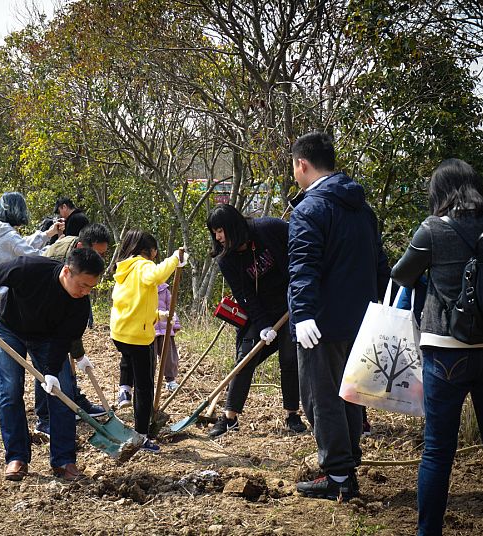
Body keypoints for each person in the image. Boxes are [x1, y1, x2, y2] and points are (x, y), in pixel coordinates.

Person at [390, 158, 483, 535]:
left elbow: (401, 274)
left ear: (440, 192)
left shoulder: (433, 229)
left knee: (438, 452)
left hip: (445, 350)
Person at [288, 131, 389, 500]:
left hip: (322, 322)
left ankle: (338, 477)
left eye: (294, 166)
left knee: (321, 397)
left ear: (303, 164)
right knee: (350, 393)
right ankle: (347, 465)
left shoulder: (309, 210)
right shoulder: (362, 208)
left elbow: (303, 267)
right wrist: (378, 310)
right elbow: (380, 264)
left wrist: (303, 315)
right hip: (361, 319)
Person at [0, 249, 105, 482]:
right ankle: (17, 457)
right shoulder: (28, 268)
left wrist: (51, 371)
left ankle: (64, 460)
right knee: (10, 392)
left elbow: (64, 339)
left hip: (49, 340)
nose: (85, 292)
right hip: (11, 329)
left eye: (90, 288)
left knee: (62, 393)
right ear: (66, 272)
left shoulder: (80, 304)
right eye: (82, 285)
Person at [204, 204, 307, 437]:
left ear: (233, 227)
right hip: (260, 311)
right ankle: (230, 417)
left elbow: (304, 240)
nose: (218, 237)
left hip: (292, 303)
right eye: (214, 232)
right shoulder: (226, 259)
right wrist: (262, 325)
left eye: (220, 231)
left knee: (289, 359)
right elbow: (244, 295)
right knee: (245, 358)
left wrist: (303, 287)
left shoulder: (268, 228)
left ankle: (292, 415)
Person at [0, 192, 63, 418]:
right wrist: (56, 250)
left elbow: (20, 245)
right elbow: (30, 256)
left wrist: (47, 234)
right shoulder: (8, 236)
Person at [110, 229, 186, 452]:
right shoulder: (143, 265)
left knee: (135, 372)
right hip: (138, 337)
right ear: (150, 251)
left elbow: (134, 304)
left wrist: (159, 316)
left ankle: (127, 393)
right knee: (145, 386)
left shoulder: (125, 268)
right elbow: (157, 276)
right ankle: (141, 435)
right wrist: (174, 259)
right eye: (156, 252)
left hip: (121, 333)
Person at [34, 223, 112, 436]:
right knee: (48, 365)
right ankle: (44, 418)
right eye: (97, 253)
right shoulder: (61, 262)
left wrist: (78, 354)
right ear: (81, 246)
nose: (100, 260)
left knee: (63, 366)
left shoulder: (84, 269)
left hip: (62, 315)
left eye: (103, 254)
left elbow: (73, 322)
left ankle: (74, 399)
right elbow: (62, 320)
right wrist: (75, 351)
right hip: (38, 315)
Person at [154, 282, 181, 392]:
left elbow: (171, 307)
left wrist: (176, 323)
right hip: (150, 330)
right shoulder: (142, 287)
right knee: (149, 359)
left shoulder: (164, 289)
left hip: (166, 329)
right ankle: (148, 382)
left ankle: (170, 381)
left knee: (169, 357)